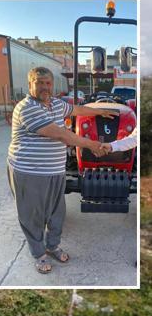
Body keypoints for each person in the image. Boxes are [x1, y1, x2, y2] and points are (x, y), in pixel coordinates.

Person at [7, 67, 118, 274]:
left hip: (55, 170)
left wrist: (99, 111)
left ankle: (52, 246)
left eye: (48, 83)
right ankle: (38, 254)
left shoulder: (56, 104)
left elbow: (76, 109)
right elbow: (61, 135)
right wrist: (92, 145)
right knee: (33, 215)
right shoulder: (27, 108)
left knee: (57, 212)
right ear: (30, 84)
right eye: (39, 83)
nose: (44, 87)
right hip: (30, 171)